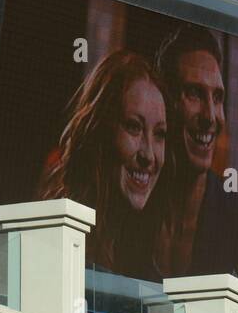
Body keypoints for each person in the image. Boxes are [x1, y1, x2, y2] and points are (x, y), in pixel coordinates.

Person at [154, 24, 238, 304]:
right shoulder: (130, 211)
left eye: (218, 97)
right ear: (165, 101)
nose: (211, 117)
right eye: (195, 94)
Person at [40, 51, 172, 281]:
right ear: (99, 132)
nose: (149, 155)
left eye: (160, 134)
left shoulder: (150, 272)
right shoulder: (54, 240)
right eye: (134, 127)